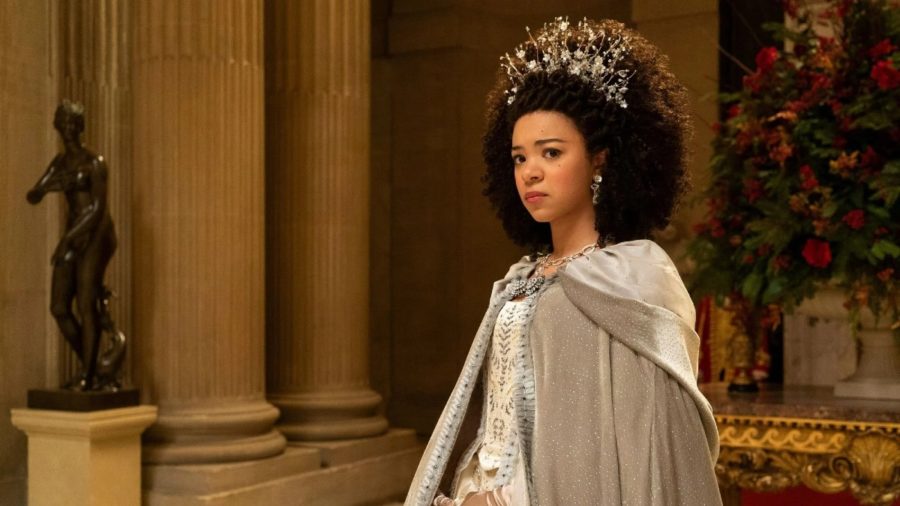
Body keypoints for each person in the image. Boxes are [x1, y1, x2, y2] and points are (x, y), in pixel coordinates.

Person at [404, 17, 723, 506]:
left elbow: (635, 443)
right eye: (519, 157)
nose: (530, 172)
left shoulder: (630, 279)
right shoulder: (521, 278)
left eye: (551, 153)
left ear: (600, 159)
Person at [26, 100, 120, 391]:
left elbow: (97, 209)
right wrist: (43, 189)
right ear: (57, 125)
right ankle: (95, 367)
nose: (68, 128)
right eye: (64, 122)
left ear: (80, 127)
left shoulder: (94, 162)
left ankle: (88, 377)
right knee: (58, 307)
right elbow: (36, 192)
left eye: (73, 123)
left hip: (97, 234)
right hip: (74, 233)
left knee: (85, 303)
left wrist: (66, 239)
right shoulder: (60, 163)